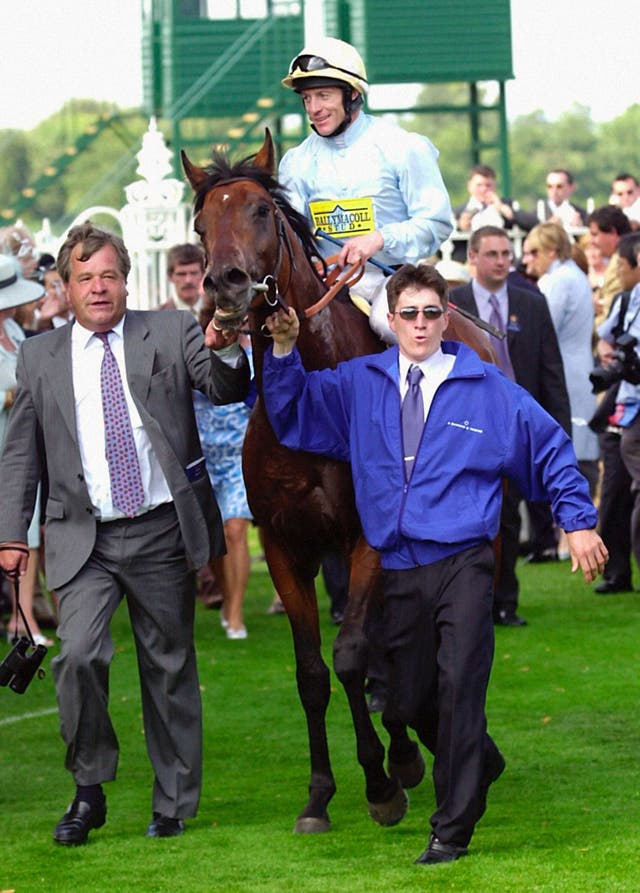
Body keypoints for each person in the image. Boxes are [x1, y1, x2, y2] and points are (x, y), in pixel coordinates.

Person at [260, 262, 608, 864]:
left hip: (466, 562)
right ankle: (483, 761)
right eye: (408, 314)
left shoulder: (487, 387)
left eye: (430, 313)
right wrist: (286, 348)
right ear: (389, 321)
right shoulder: (358, 383)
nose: (420, 325)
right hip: (397, 566)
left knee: (458, 691)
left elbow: (548, 444)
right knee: (406, 703)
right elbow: (291, 413)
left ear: (445, 318)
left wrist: (576, 521)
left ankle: (450, 830)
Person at [0, 222, 250, 846]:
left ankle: (172, 801)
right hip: (80, 537)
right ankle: (88, 790)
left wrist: (224, 341)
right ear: (65, 285)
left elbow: (227, 388)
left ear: (126, 279)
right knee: (78, 655)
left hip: (161, 529)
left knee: (168, 667)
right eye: (84, 278)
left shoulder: (170, 330)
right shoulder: (38, 356)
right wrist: (9, 534)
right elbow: (20, 457)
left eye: (108, 275)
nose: (98, 288)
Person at [278, 36, 452, 341]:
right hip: (326, 283)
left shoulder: (403, 146)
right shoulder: (295, 162)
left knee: (386, 324)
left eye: (323, 96)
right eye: (307, 98)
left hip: (394, 278)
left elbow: (435, 223)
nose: (313, 108)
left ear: (353, 94)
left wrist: (379, 239)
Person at [450, 226, 571, 626]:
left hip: (518, 426)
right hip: (464, 428)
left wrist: (559, 428)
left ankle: (505, 602)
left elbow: (551, 371)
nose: (502, 261)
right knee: (471, 517)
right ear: (473, 258)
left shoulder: (531, 304)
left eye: (507, 253)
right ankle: (466, 603)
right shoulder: (450, 304)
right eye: (493, 254)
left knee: (510, 515)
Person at [522, 223, 600, 500]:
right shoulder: (574, 274)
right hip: (577, 367)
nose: (526, 259)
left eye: (534, 252)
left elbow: (542, 329)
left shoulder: (556, 281)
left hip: (564, 371)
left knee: (569, 456)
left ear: (552, 252)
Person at [0, 254, 51, 646]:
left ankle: (23, 617)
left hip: (20, 450)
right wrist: (10, 395)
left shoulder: (16, 331)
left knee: (27, 531)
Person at [193, 333, 255, 639]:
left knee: (235, 530)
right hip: (203, 461)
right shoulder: (196, 356)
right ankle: (226, 598)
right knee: (215, 539)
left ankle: (235, 612)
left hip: (239, 459)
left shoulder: (255, 355)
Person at [595, 231, 640, 585]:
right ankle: (617, 570)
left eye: (622, 266)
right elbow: (606, 338)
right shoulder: (624, 301)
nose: (618, 273)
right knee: (614, 491)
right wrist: (610, 356)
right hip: (624, 404)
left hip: (630, 410)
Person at [588, 206, 632, 326]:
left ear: (612, 232)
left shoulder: (619, 263)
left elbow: (609, 318)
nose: (591, 241)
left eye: (595, 234)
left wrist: (581, 331)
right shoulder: (616, 260)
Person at [160, 243, 206, 315]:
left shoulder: (218, 315)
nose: (188, 280)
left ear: (202, 274)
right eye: (181, 274)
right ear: (170, 276)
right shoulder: (155, 319)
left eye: (194, 273)